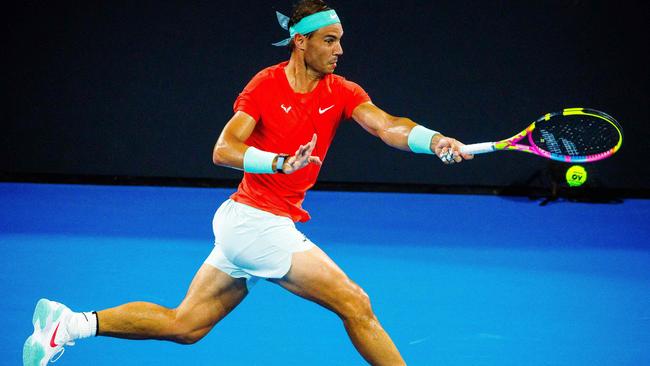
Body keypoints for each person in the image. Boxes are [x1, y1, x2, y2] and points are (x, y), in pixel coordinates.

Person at [22, 1, 473, 365]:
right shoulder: (266, 85)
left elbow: (386, 125)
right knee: (356, 305)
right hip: (257, 225)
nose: (340, 50)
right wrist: (277, 162)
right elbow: (224, 149)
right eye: (329, 40)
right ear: (301, 42)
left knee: (186, 326)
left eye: (341, 41)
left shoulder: (343, 91)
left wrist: (431, 140)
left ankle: (69, 325)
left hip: (247, 224)